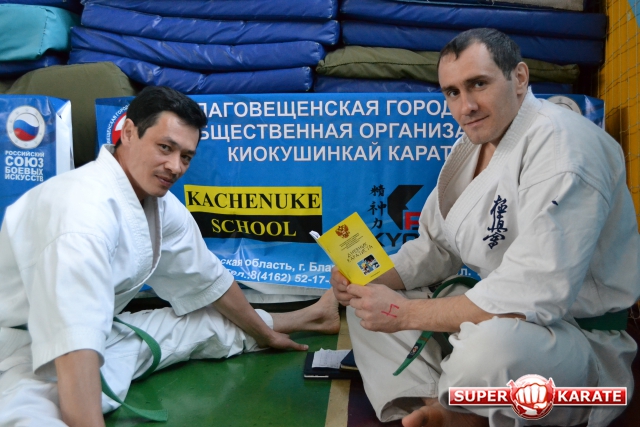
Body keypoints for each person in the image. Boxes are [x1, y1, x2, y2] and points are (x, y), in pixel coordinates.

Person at [330, 28, 640, 427]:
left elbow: (533, 294)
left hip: (577, 340)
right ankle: (437, 402)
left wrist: (405, 314)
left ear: (519, 78)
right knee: (367, 306)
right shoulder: (474, 146)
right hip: (503, 314)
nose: (467, 106)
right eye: (453, 92)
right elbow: (435, 247)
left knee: (491, 351)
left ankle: (470, 409)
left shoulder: (564, 147)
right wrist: (367, 277)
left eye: (478, 84)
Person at [0, 86, 339, 427]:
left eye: (186, 157)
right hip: (17, 354)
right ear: (128, 132)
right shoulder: (80, 214)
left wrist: (266, 336)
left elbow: (210, 282)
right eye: (165, 147)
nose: (175, 166)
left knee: (204, 321)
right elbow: (74, 342)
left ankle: (311, 317)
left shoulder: (156, 202)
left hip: (99, 337)